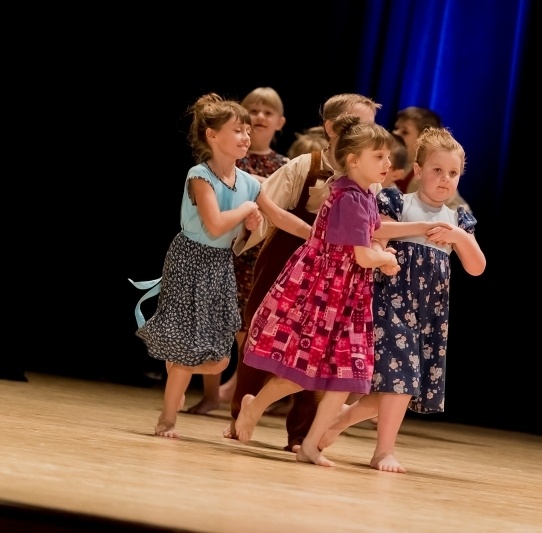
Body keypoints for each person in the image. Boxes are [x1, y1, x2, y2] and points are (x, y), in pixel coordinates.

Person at [131, 93, 312, 439]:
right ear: (213, 136)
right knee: (187, 350)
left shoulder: (247, 182)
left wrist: (317, 235)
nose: (246, 136)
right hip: (190, 260)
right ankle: (168, 418)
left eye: (247, 130)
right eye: (237, 130)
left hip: (218, 265)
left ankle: (177, 374)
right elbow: (214, 225)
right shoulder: (199, 176)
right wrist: (245, 211)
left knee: (220, 359)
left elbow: (280, 218)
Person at [233, 116, 402, 467]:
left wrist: (388, 247)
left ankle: (310, 444)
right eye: (379, 156)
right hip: (327, 294)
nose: (388, 164)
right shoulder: (350, 198)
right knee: (302, 371)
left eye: (388, 157)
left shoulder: (364, 194)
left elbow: (370, 239)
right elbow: (361, 253)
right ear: (354, 160)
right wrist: (384, 257)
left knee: (342, 377)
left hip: (348, 296)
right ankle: (256, 406)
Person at [319, 127, 487, 473]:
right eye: (437, 170)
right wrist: (419, 230)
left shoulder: (457, 219)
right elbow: (374, 230)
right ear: (419, 169)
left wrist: (457, 236)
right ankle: (383, 451)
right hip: (391, 302)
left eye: (452, 173)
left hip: (429, 313)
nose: (444, 179)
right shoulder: (398, 202)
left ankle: (338, 421)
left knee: (400, 387)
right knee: (400, 381)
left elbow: (476, 267)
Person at [187, 87, 291, 415]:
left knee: (249, 330)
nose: (259, 118)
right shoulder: (224, 160)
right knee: (216, 325)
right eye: (252, 111)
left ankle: (240, 396)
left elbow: (281, 205)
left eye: (267, 112)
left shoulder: (284, 165)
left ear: (280, 122)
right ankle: (211, 393)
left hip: (261, 256)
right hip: (226, 252)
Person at [391, 106, 471, 212]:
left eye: (405, 132)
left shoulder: (426, 176)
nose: (395, 134)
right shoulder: (386, 164)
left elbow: (462, 211)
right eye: (396, 128)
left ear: (423, 140)